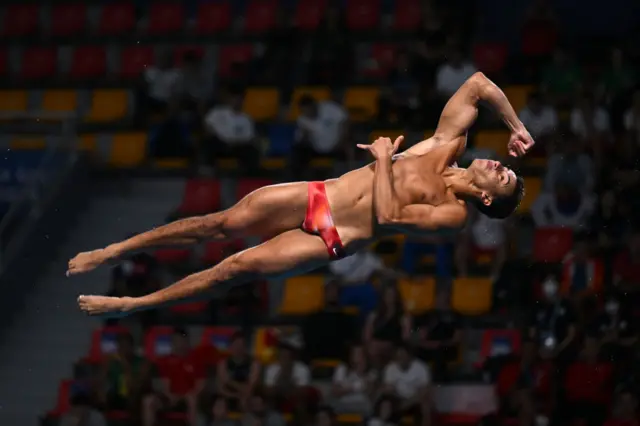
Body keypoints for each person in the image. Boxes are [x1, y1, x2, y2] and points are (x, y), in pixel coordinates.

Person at [67, 72, 534, 316]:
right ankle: (114, 250)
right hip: (316, 193)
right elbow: (477, 84)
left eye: (504, 177)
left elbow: (389, 216)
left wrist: (385, 159)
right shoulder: (447, 144)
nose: (500, 165)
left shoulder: (452, 215)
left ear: (488, 199)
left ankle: (133, 305)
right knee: (219, 223)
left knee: (234, 268)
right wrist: (516, 126)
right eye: (507, 166)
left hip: (330, 236)